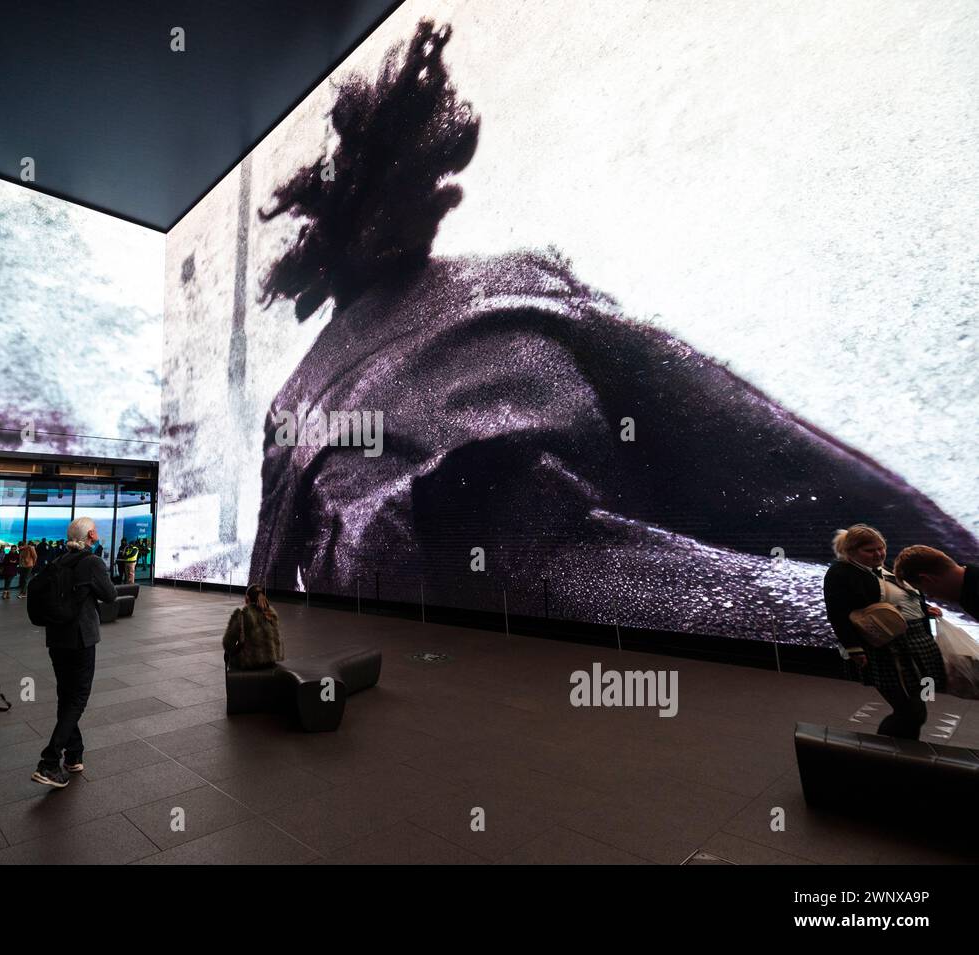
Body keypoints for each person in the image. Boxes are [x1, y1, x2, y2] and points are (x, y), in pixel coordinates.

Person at [241, 19, 979, 637]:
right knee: (856, 607)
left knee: (853, 608)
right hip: (473, 541)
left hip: (473, 551)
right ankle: (916, 618)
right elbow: (741, 437)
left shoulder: (509, 283)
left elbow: (722, 426)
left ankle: (916, 618)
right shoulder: (510, 282)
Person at [823, 525, 946, 739]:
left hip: (909, 643)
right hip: (881, 648)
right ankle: (882, 754)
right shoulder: (840, 573)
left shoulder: (879, 567)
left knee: (915, 711)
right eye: (870, 550)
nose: (878, 554)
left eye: (881, 548)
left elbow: (894, 596)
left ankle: (901, 754)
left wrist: (923, 610)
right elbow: (838, 613)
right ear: (850, 551)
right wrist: (854, 648)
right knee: (910, 712)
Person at [33, 516, 117, 789]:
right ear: (91, 535)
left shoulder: (58, 562)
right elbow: (110, 595)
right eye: (96, 531)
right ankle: (49, 760)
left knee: (66, 695)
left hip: (56, 638)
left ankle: (74, 754)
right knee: (78, 698)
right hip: (81, 639)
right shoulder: (91, 562)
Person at [894, 546, 979, 620]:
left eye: (923, 590)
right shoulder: (968, 587)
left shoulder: (972, 597)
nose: (931, 596)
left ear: (926, 579)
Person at [222, 585, 285, 670]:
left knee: (229, 656)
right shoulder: (271, 614)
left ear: (247, 598)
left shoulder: (242, 615)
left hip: (251, 662)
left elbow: (227, 643)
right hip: (271, 661)